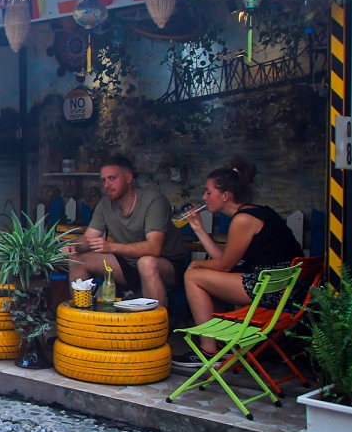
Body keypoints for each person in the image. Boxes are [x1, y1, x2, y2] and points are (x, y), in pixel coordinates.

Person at [179, 160, 302, 368]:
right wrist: (199, 229)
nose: (204, 197)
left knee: (193, 276)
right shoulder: (257, 212)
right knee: (202, 276)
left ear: (225, 195)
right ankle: (218, 344)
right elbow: (224, 259)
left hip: (274, 290)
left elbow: (225, 266)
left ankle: (209, 351)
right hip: (286, 286)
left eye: (208, 192)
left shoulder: (243, 220)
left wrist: (197, 266)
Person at [64, 154, 190, 306]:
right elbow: (88, 239)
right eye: (103, 180)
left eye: (112, 178)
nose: (107, 185)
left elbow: (153, 248)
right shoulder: (105, 204)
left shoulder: (153, 200)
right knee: (77, 259)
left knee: (146, 263)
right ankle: (82, 319)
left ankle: (154, 327)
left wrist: (111, 247)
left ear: (128, 178)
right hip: (128, 265)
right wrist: (72, 247)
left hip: (167, 266)